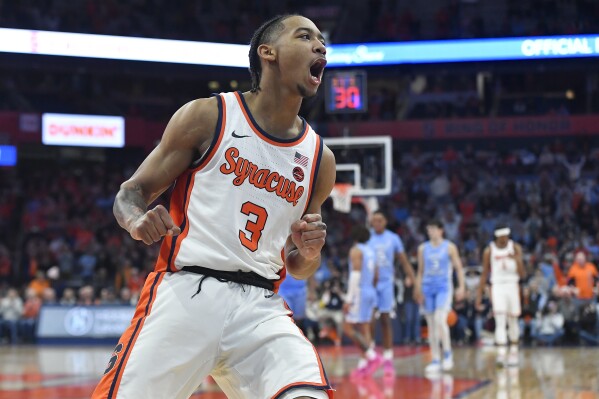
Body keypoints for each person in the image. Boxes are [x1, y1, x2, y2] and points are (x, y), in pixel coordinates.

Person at [92, 14, 335, 399]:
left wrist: (309, 251)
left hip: (260, 307)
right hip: (187, 292)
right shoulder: (209, 116)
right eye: (305, 36)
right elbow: (131, 192)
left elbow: (300, 265)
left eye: (322, 40)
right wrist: (137, 220)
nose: (321, 46)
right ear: (267, 52)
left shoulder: (320, 158)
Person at [367, 210, 416, 377]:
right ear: (371, 222)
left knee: (385, 319)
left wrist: (413, 280)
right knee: (370, 320)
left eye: (380, 220)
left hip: (387, 284)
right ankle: (371, 356)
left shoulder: (393, 238)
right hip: (370, 284)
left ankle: (388, 357)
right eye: (375, 220)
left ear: (385, 221)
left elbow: (404, 260)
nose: (377, 223)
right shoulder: (367, 238)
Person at [415, 220, 465, 372]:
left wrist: (461, 287)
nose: (431, 232)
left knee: (440, 320)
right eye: (429, 229)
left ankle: (448, 354)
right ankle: (436, 358)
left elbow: (459, 268)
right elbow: (420, 271)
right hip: (427, 288)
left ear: (441, 230)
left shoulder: (449, 247)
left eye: (434, 229)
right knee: (430, 325)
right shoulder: (423, 248)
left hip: (443, 287)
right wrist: (418, 289)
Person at [476, 226, 526, 367]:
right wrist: (479, 296)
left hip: (512, 284)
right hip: (497, 285)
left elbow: (523, 275)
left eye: (507, 236)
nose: (505, 239)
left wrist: (518, 260)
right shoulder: (489, 250)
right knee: (500, 320)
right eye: (502, 236)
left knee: (513, 320)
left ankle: (514, 354)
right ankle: (501, 355)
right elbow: (484, 273)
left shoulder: (515, 248)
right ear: (497, 236)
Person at [342, 225, 380, 379]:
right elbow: (376, 275)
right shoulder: (371, 251)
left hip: (360, 291)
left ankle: (372, 356)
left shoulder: (356, 250)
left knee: (347, 327)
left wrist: (349, 298)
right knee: (364, 328)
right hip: (370, 290)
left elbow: (355, 274)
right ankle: (364, 365)